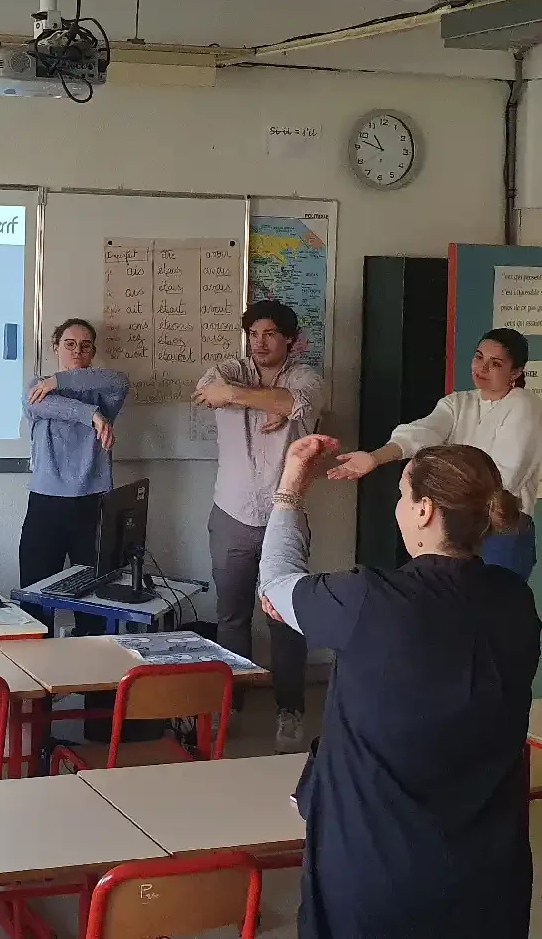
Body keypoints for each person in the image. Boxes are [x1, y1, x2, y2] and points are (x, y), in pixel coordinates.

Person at [260, 435, 538, 939]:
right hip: (490, 883)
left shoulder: (369, 602)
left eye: (402, 496)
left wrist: (290, 489)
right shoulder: (517, 604)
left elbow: (275, 581)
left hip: (377, 885)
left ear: (425, 511)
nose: (398, 508)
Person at [192, 300, 323, 752]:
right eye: (254, 333)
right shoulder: (228, 367)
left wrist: (247, 397)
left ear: (290, 338)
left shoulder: (306, 376)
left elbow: (297, 401)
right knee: (231, 617)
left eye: (270, 333)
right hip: (229, 512)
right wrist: (261, 401)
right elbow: (207, 390)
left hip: (284, 518)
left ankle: (290, 710)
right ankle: (234, 701)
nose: (260, 342)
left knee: (287, 619)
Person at [331, 326, 542, 578]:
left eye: (495, 363)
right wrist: (375, 458)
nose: (482, 368)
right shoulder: (459, 402)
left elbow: (506, 476)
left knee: (492, 611)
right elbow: (422, 432)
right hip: (458, 526)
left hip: (501, 530)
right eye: (478, 357)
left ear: (516, 372)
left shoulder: (524, 404)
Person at [20, 319, 129, 604]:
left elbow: (120, 381)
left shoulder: (104, 391)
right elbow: (38, 403)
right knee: (36, 600)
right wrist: (92, 414)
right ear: (56, 348)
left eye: (85, 346)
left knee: (94, 603)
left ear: (93, 352)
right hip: (46, 505)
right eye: (69, 344)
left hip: (93, 505)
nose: (77, 351)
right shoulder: (38, 388)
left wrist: (59, 380)